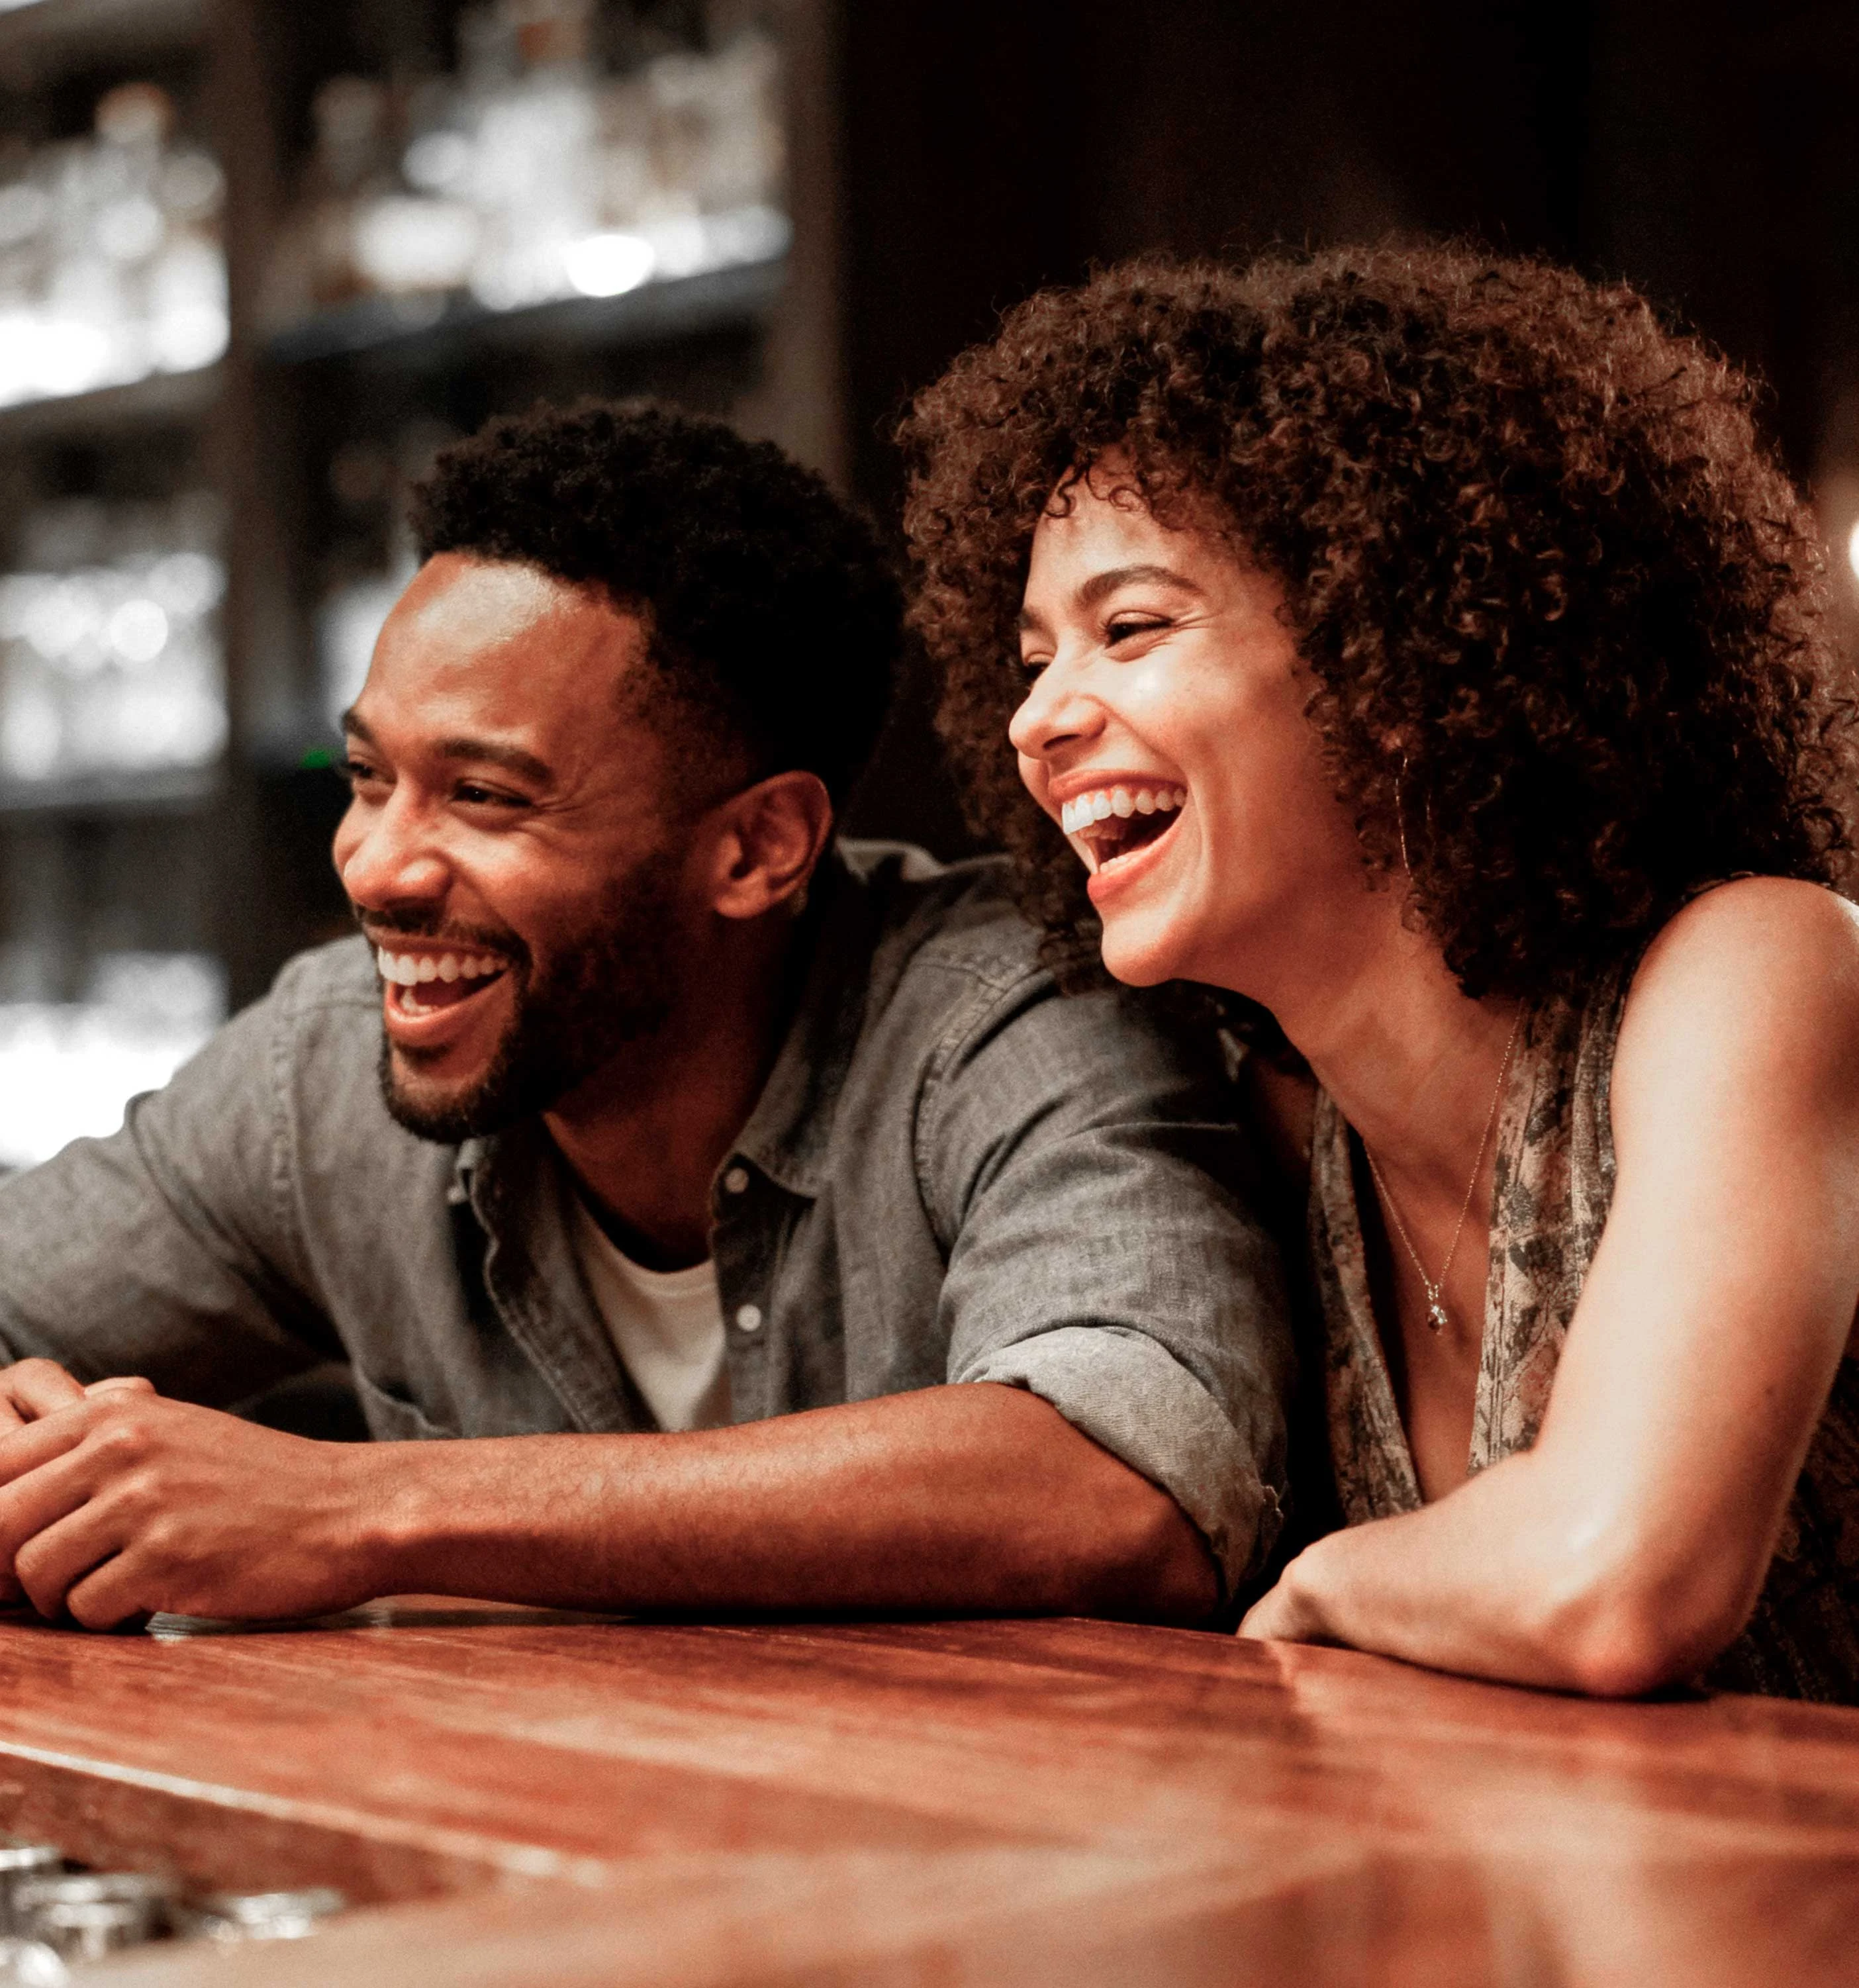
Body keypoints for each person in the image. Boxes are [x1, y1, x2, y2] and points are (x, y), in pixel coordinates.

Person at [0, 401, 1292, 1631]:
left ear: (757, 847)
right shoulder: (323, 1067)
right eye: (370, 777)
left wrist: (352, 1508)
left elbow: (1129, 1485)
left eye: (487, 796)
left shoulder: (1007, 1017)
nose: (378, 867)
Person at [900, 246, 1859, 1701]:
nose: (1039, 719)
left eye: (1129, 628)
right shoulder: (1278, 1132)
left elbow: (1619, 1582)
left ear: (1395, 661)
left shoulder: (1755, 971)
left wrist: (1323, 1584)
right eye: (1031, 659)